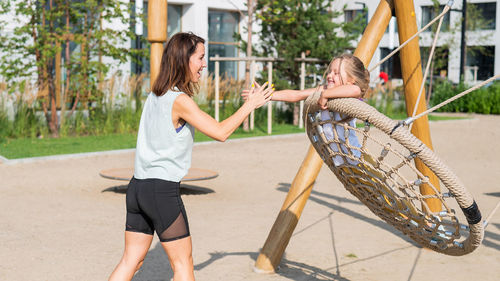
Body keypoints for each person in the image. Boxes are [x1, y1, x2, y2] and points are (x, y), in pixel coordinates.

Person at [108, 32, 273, 281]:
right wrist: (250, 105)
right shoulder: (179, 100)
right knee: (183, 265)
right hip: (160, 191)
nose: (204, 64)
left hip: (138, 188)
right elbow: (220, 132)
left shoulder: (154, 96)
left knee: (131, 260)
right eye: (200, 58)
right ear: (184, 59)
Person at [244, 53, 369, 166]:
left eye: (336, 73)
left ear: (351, 80)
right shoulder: (323, 89)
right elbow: (297, 95)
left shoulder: (349, 94)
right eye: (330, 71)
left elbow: (356, 90)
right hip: (339, 161)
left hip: (354, 158)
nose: (330, 75)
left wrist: (325, 95)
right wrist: (267, 95)